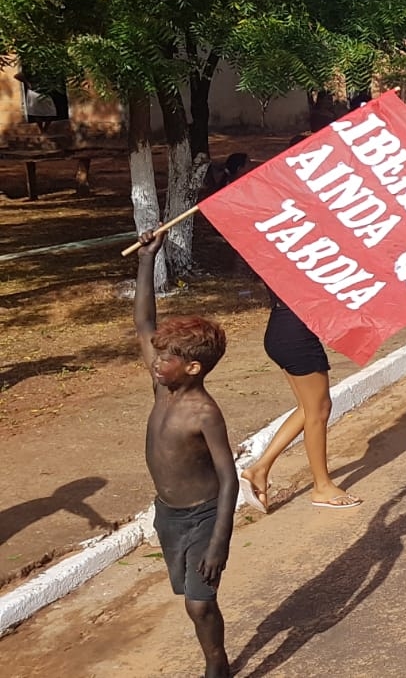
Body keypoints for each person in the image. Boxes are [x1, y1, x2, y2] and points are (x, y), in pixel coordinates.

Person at [134, 231, 236, 678]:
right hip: (169, 516)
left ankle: (217, 664)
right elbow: (144, 323)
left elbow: (229, 478)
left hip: (204, 517)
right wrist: (146, 260)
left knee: (200, 602)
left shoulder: (204, 413)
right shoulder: (162, 387)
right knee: (187, 595)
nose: (157, 363)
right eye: (158, 356)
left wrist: (219, 542)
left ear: (193, 368)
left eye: (167, 359)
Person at [241, 291, 362, 513]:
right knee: (319, 410)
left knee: (308, 408)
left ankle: (259, 470)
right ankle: (322, 487)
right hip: (297, 333)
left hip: (283, 327)